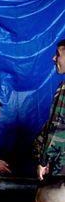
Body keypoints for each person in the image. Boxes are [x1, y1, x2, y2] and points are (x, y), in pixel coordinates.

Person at [33, 39, 65, 181]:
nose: (54, 58)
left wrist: (44, 161)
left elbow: (57, 127)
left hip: (61, 169)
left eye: (58, 54)